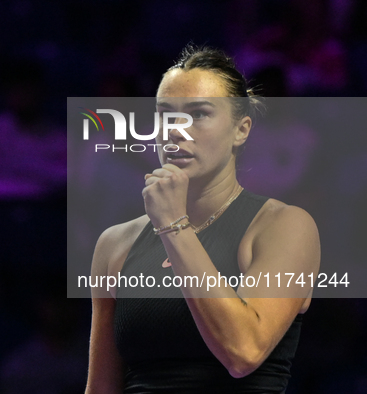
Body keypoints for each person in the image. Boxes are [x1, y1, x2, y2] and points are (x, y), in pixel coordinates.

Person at [85, 45, 320, 393]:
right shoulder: (114, 244)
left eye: (198, 114)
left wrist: (174, 225)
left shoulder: (284, 226)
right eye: (166, 115)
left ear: (241, 130)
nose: (176, 130)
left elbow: (243, 352)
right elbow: (102, 388)